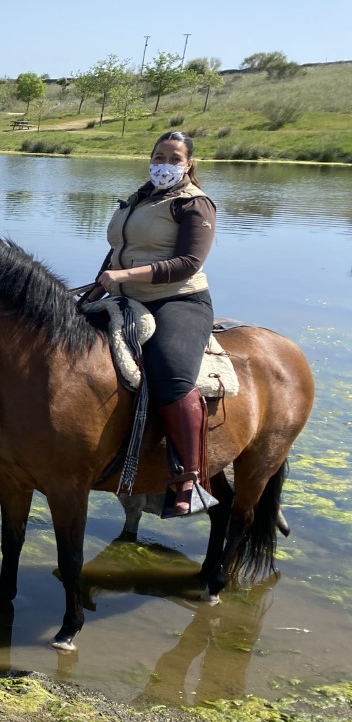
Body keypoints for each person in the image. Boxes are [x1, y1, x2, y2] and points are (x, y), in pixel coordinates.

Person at [92, 131, 217, 518]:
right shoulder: (139, 199)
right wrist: (94, 290)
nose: (165, 163)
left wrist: (126, 277)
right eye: (159, 155)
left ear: (188, 164)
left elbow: (188, 263)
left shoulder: (195, 204)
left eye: (174, 157)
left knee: (169, 370)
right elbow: (117, 253)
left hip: (179, 300)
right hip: (126, 297)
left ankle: (189, 479)